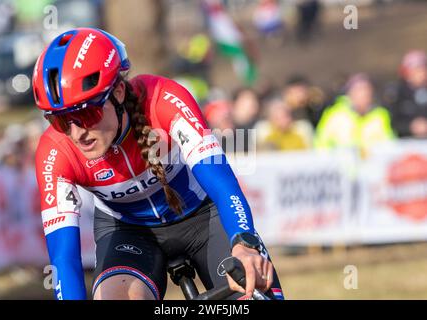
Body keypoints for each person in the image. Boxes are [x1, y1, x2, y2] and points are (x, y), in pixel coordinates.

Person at [32, 28, 284, 300]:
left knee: (253, 288)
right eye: (60, 120)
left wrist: (244, 242)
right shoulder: (55, 152)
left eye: (87, 113)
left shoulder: (162, 100)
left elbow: (221, 180)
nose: (77, 132)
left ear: (117, 92)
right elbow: (63, 258)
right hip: (128, 232)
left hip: (204, 216)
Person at [314, 73, 395, 157]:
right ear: (350, 94)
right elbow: (321, 144)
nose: (363, 96)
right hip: (340, 167)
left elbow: (389, 143)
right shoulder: (334, 115)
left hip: (372, 166)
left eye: (367, 93)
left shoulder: (380, 115)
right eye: (359, 92)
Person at [383, 50, 427, 139]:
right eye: (415, 70)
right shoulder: (396, 93)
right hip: (404, 144)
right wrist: (410, 127)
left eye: (422, 69)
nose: (420, 73)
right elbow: (391, 121)